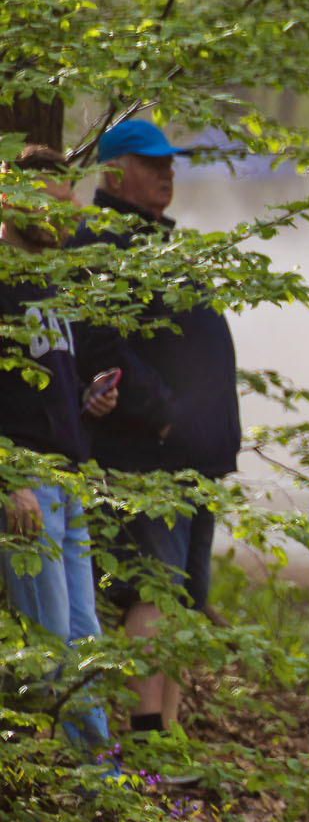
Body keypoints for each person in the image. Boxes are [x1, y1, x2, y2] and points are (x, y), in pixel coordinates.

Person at [75, 119, 241, 736]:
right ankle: (147, 739)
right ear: (113, 172)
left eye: (169, 162)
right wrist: (164, 417)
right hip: (146, 459)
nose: (166, 172)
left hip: (188, 457)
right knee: (151, 592)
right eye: (151, 163)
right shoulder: (101, 243)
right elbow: (100, 345)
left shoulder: (153, 242)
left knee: (181, 599)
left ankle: (166, 740)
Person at [0, 146, 121, 747]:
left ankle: (99, 778)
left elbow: (41, 388)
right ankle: (33, 773)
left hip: (67, 481)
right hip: (26, 487)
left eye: (69, 200)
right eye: (52, 201)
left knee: (82, 636)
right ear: (10, 200)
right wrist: (9, 478)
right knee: (46, 649)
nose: (67, 214)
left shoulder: (49, 283)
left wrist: (86, 401)